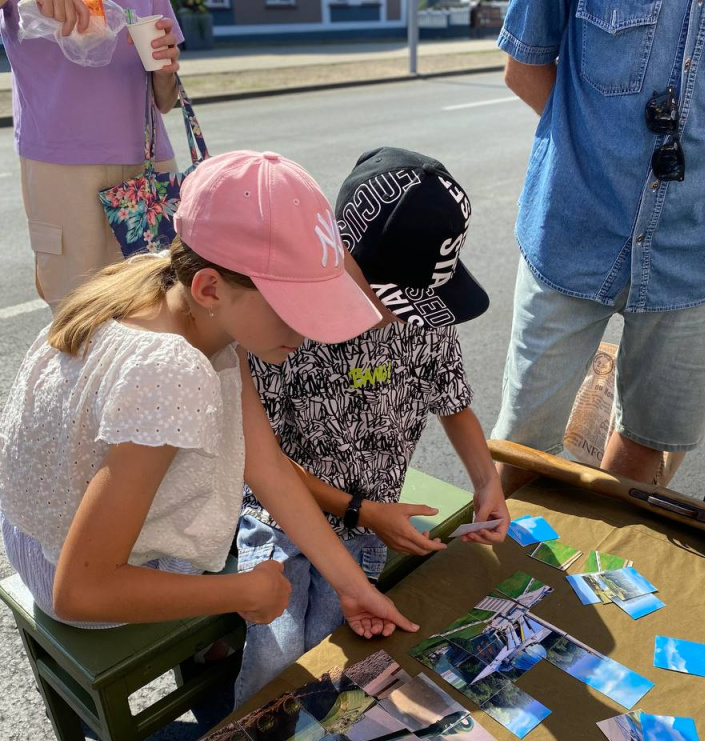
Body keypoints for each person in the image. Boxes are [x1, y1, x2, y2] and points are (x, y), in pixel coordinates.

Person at [0, 150, 419, 648]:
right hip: (69, 576)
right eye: (291, 310)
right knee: (228, 537)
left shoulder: (165, 282)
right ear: (210, 287)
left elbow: (266, 466)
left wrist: (353, 587)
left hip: (34, 530)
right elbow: (82, 591)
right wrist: (239, 590)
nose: (305, 333)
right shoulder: (172, 370)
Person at [235, 146, 510, 706]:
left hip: (367, 525)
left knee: (337, 654)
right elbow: (263, 461)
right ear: (340, 256)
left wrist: (487, 483)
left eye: (416, 303)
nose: (401, 318)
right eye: (393, 300)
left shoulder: (425, 316)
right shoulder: (282, 321)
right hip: (282, 516)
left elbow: (451, 398)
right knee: (279, 655)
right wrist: (360, 511)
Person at [492, 0, 705, 490]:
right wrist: (593, 152)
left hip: (700, 253)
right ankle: (496, 567)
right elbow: (524, 66)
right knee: (521, 449)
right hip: (572, 230)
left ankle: (599, 564)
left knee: (643, 449)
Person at [0, 0, 181, 309]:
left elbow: (164, 100)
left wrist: (165, 69)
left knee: (164, 308)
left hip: (149, 164)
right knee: (80, 316)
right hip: (62, 172)